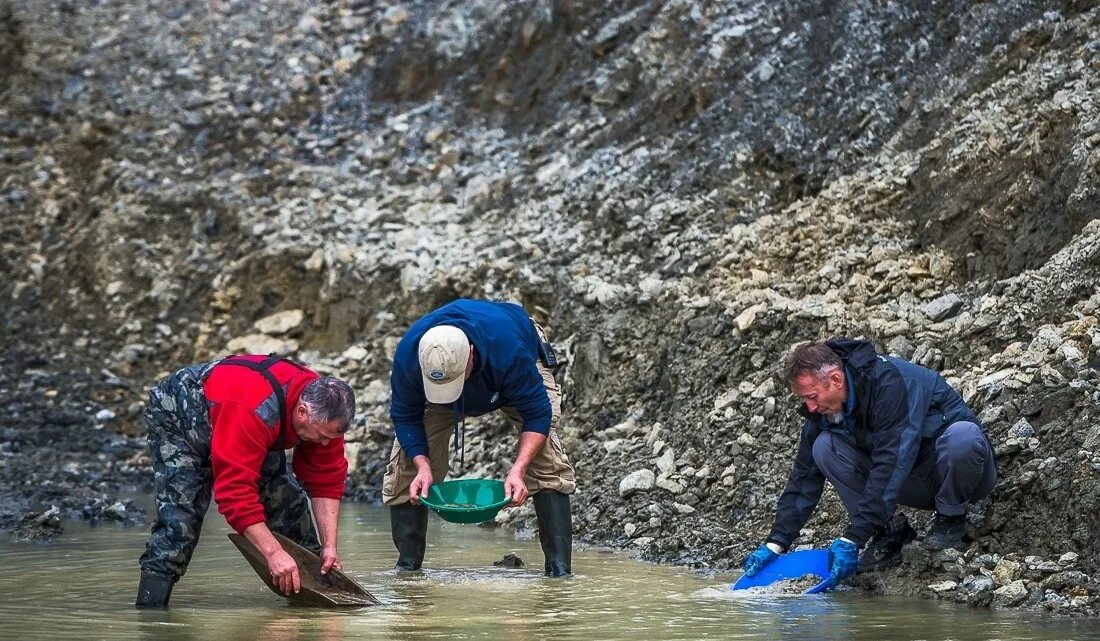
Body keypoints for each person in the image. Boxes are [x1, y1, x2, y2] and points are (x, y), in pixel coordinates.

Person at [743, 339, 997, 588]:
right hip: (911, 481)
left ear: (835, 380)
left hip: (962, 474)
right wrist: (776, 543)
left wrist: (854, 537)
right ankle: (890, 531)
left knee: (964, 436)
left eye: (812, 396)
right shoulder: (825, 409)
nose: (809, 406)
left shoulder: (891, 385)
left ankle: (950, 518)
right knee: (824, 447)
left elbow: (891, 462)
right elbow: (803, 478)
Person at [135, 354, 355, 607]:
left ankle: (310, 598)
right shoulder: (254, 409)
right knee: (182, 519)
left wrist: (330, 547)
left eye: (331, 437)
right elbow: (234, 493)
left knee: (287, 502)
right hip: (181, 416)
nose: (326, 443)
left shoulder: (327, 414)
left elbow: (326, 480)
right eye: (321, 436)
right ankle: (150, 612)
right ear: (302, 412)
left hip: (245, 422)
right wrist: (272, 553)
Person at [384, 299, 576, 576]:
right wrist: (422, 465)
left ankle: (559, 573)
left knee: (546, 462)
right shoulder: (410, 356)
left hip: (510, 368)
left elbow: (537, 414)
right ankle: (408, 571)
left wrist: (518, 469)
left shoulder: (509, 352)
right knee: (406, 471)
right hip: (439, 394)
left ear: (471, 354)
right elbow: (405, 417)